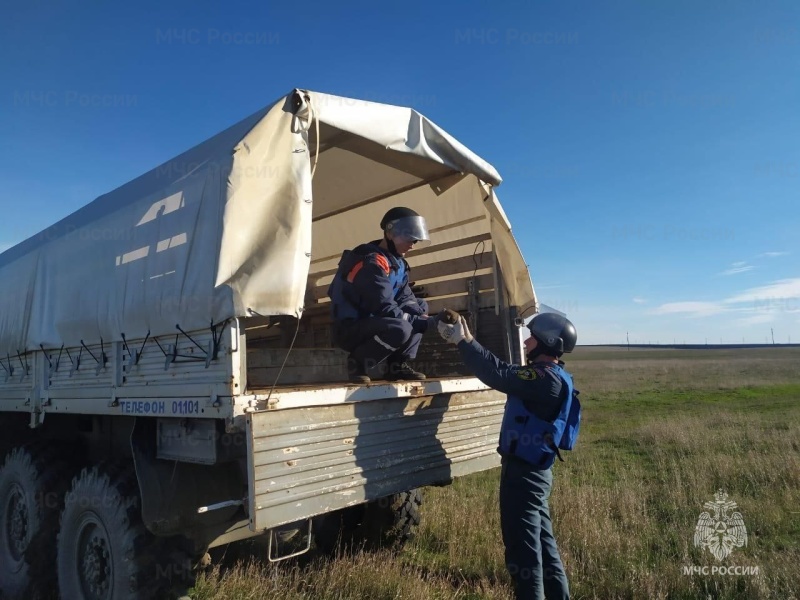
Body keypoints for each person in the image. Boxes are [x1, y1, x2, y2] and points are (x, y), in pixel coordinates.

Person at [437, 310, 580, 600]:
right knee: (542, 545)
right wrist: (469, 340)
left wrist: (463, 343)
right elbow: (503, 369)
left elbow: (498, 373)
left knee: (523, 554)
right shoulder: (554, 377)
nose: (526, 343)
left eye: (533, 339)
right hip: (534, 475)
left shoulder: (543, 379)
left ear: (547, 344)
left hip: (523, 477)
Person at [327, 207, 436, 384]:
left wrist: (423, 316)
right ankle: (357, 364)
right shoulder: (370, 261)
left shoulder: (397, 263)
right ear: (390, 233)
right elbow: (383, 306)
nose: (413, 243)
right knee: (402, 327)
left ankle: (397, 366)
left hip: (375, 323)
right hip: (350, 328)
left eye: (415, 239)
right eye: (408, 236)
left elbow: (405, 297)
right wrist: (421, 322)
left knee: (420, 307)